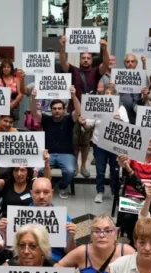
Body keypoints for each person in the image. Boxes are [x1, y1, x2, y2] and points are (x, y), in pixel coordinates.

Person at [58, 35, 109, 178]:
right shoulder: (73, 70)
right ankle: (74, 165)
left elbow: (106, 64)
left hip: (90, 113)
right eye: (83, 58)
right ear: (80, 60)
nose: (86, 60)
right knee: (74, 142)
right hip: (74, 111)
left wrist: (104, 49)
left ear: (92, 60)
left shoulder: (96, 72)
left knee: (86, 143)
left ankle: (84, 166)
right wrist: (62, 47)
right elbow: (63, 61)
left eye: (88, 58)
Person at [0, 177, 76, 262]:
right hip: (25, 259)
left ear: (52, 193)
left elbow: (70, 252)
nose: (41, 196)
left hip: (53, 261)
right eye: (37, 192)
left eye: (46, 192)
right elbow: (9, 248)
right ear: (31, 193)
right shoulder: (18, 215)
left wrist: (71, 237)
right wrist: (5, 233)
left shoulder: (63, 217)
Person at [30, 88, 80, 199]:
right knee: (38, 170)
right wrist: (33, 97)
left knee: (70, 171)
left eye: (59, 108)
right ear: (51, 110)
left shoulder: (69, 119)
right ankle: (49, 185)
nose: (57, 111)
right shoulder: (46, 119)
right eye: (54, 108)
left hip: (66, 154)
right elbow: (34, 112)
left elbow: (78, 111)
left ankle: (61, 186)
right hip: (48, 155)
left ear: (63, 109)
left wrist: (74, 96)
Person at [0, 148, 50, 216]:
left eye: (23, 170)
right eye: (16, 170)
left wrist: (46, 163)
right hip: (6, 220)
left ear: (28, 172)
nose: (19, 174)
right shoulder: (6, 184)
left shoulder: (33, 184)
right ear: (12, 172)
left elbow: (47, 181)